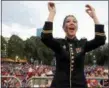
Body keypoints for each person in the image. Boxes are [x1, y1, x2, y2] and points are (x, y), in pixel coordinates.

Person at [41, 2, 106, 88]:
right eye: (68, 21)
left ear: (77, 27)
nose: (72, 23)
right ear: (64, 27)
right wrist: (52, 13)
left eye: (74, 22)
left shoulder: (83, 44)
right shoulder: (59, 43)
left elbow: (100, 39)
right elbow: (46, 37)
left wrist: (94, 16)